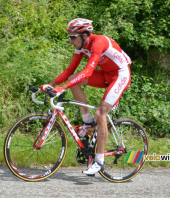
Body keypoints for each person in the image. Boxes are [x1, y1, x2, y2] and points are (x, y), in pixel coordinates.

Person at [40, 18, 131, 175]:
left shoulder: (99, 42)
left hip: (120, 75)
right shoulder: (81, 46)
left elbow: (88, 72)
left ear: (84, 35)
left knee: (100, 113)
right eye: (69, 37)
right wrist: (51, 84)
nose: (70, 41)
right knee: (72, 80)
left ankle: (99, 161)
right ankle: (87, 122)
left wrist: (62, 88)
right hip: (106, 74)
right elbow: (69, 71)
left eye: (72, 37)